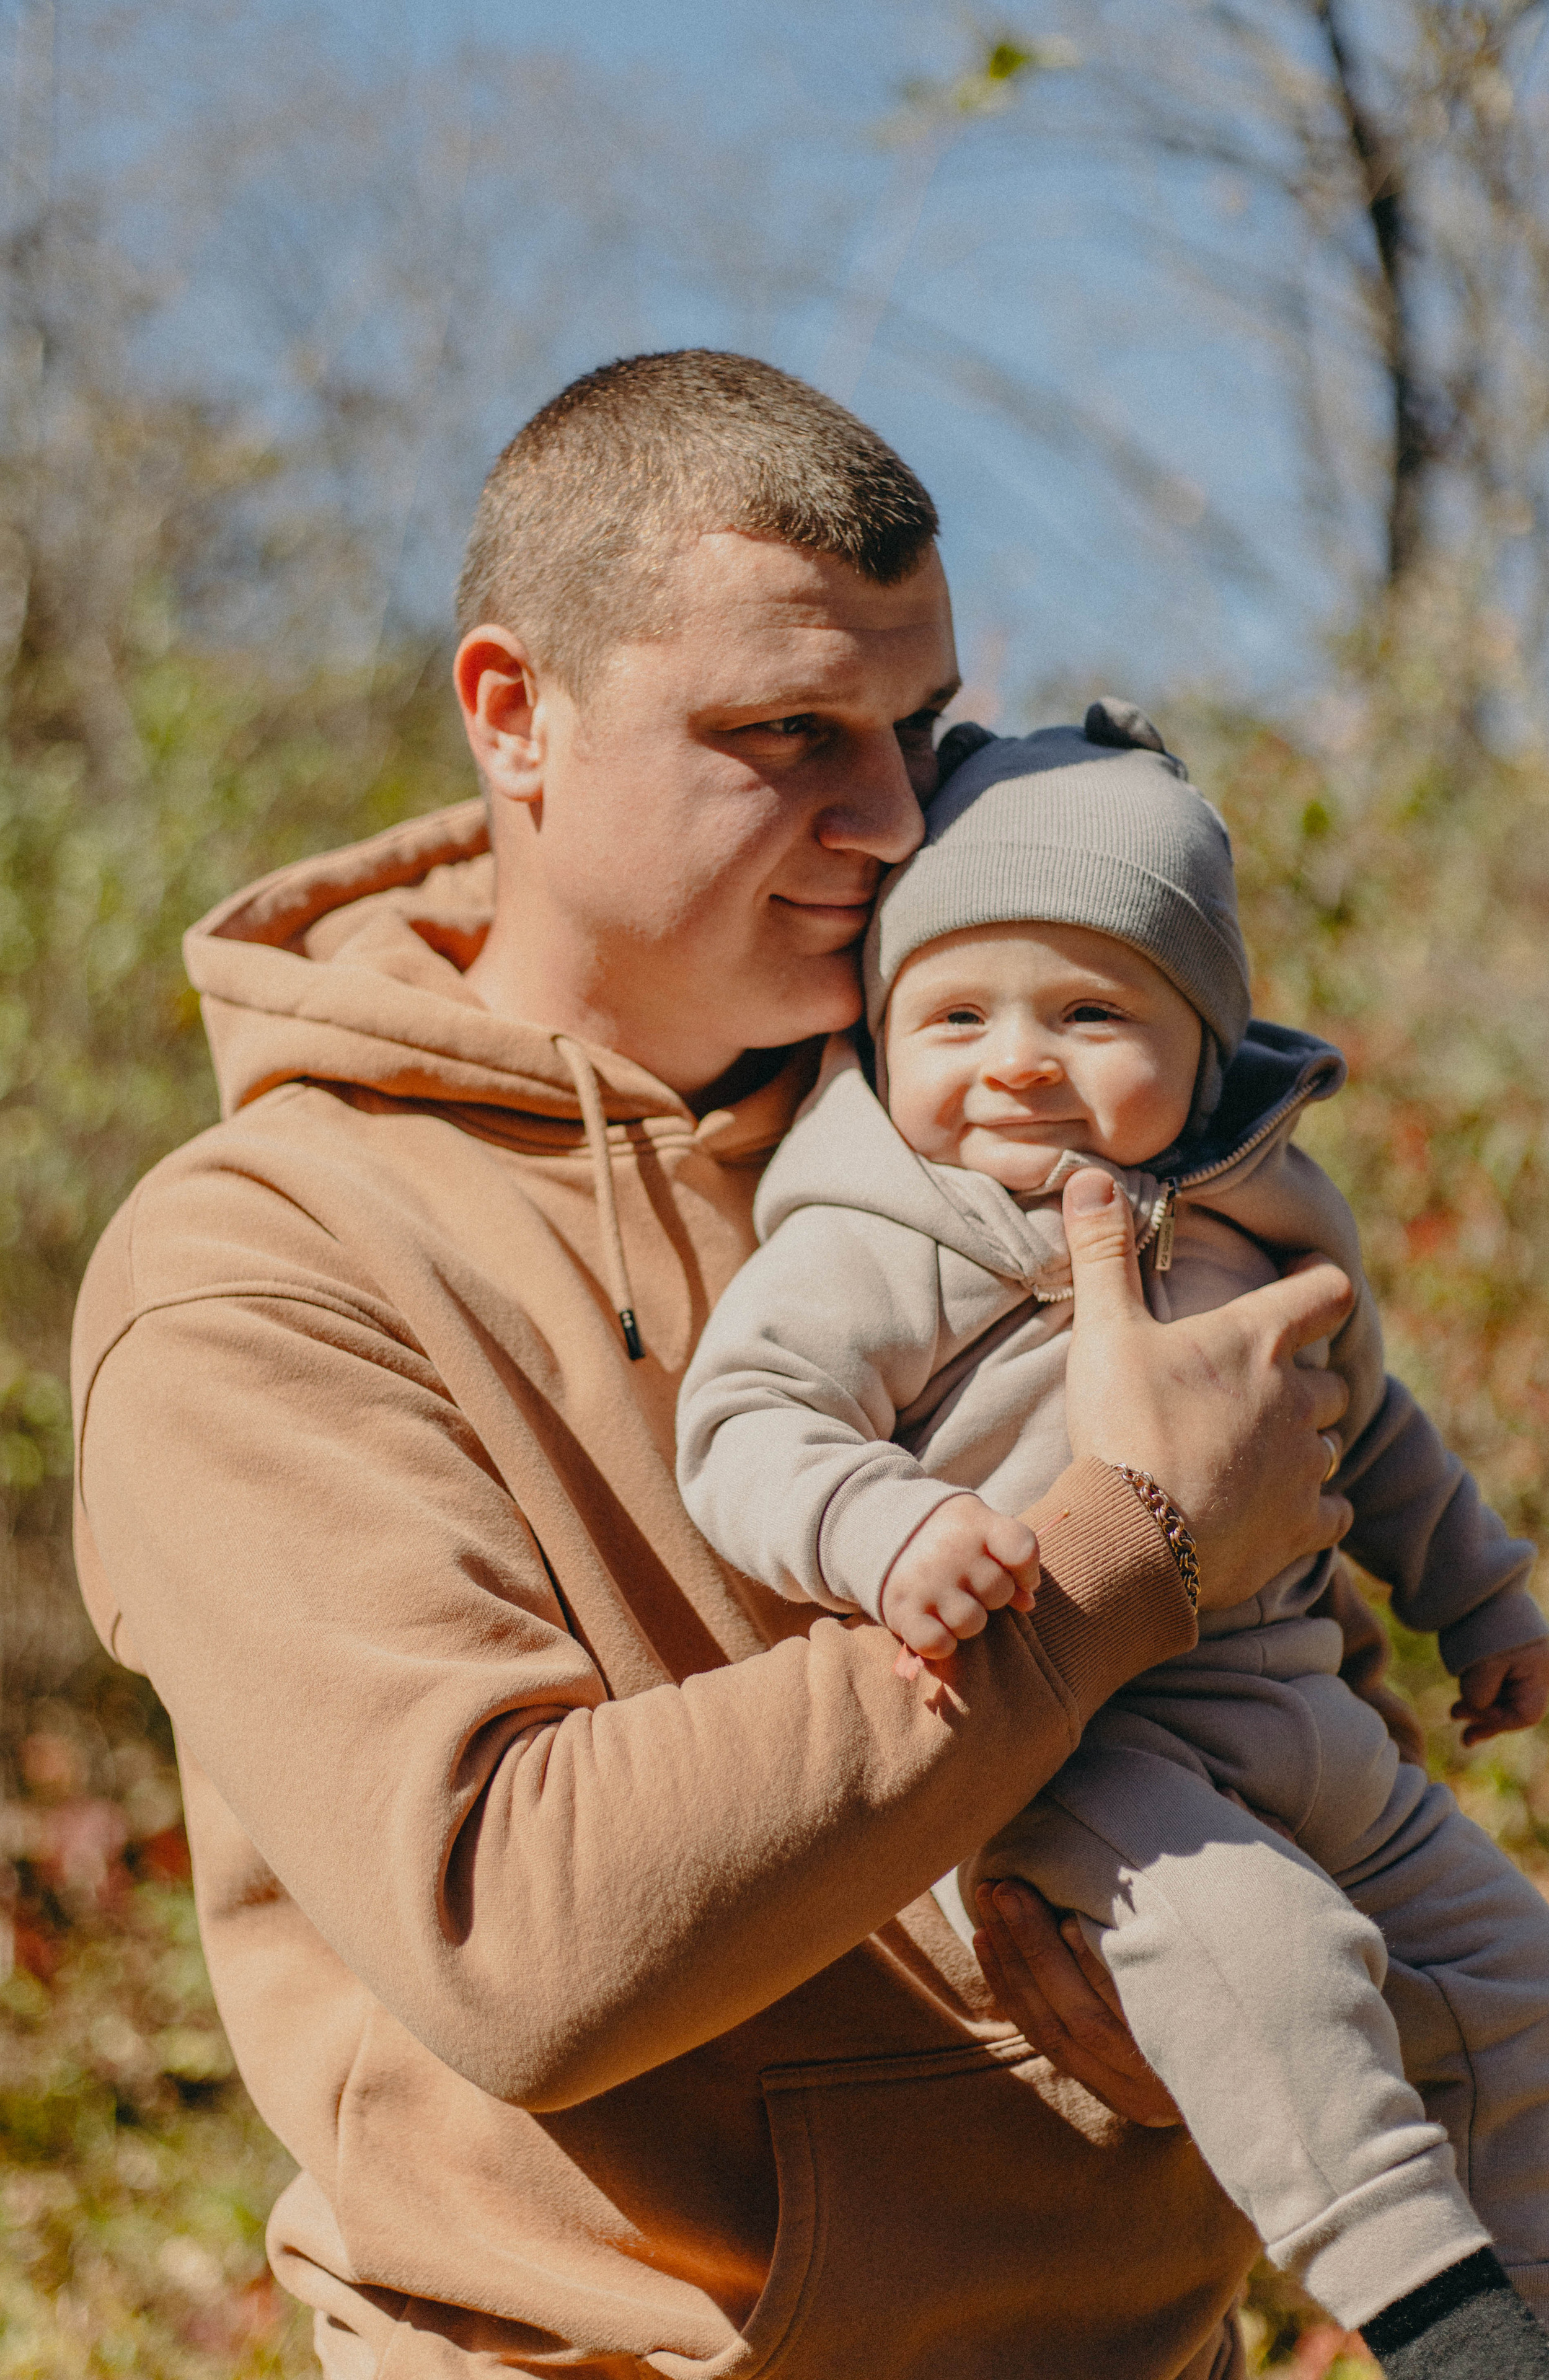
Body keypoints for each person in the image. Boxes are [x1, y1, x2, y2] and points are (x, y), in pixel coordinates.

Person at [73, 351, 1366, 2380]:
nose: (891, 820)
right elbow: (512, 1930)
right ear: (517, 713)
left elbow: (1281, 1653)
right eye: (788, 734)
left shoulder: (983, 1112)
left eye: (918, 731)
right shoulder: (261, 1262)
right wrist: (1125, 1553)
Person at [676, 715, 1549, 2374]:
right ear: (883, 1034)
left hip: (1304, 1725)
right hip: (1082, 1749)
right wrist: (894, 1529)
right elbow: (743, 1425)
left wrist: (1477, 1594)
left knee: (1526, 1985)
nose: (1017, 1062)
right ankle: (1447, 2328)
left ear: (1201, 1035)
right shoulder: (887, 1231)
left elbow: (1368, 1426)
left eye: (1089, 1013)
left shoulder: (1269, 1206)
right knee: (1275, 1962)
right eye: (955, 1016)